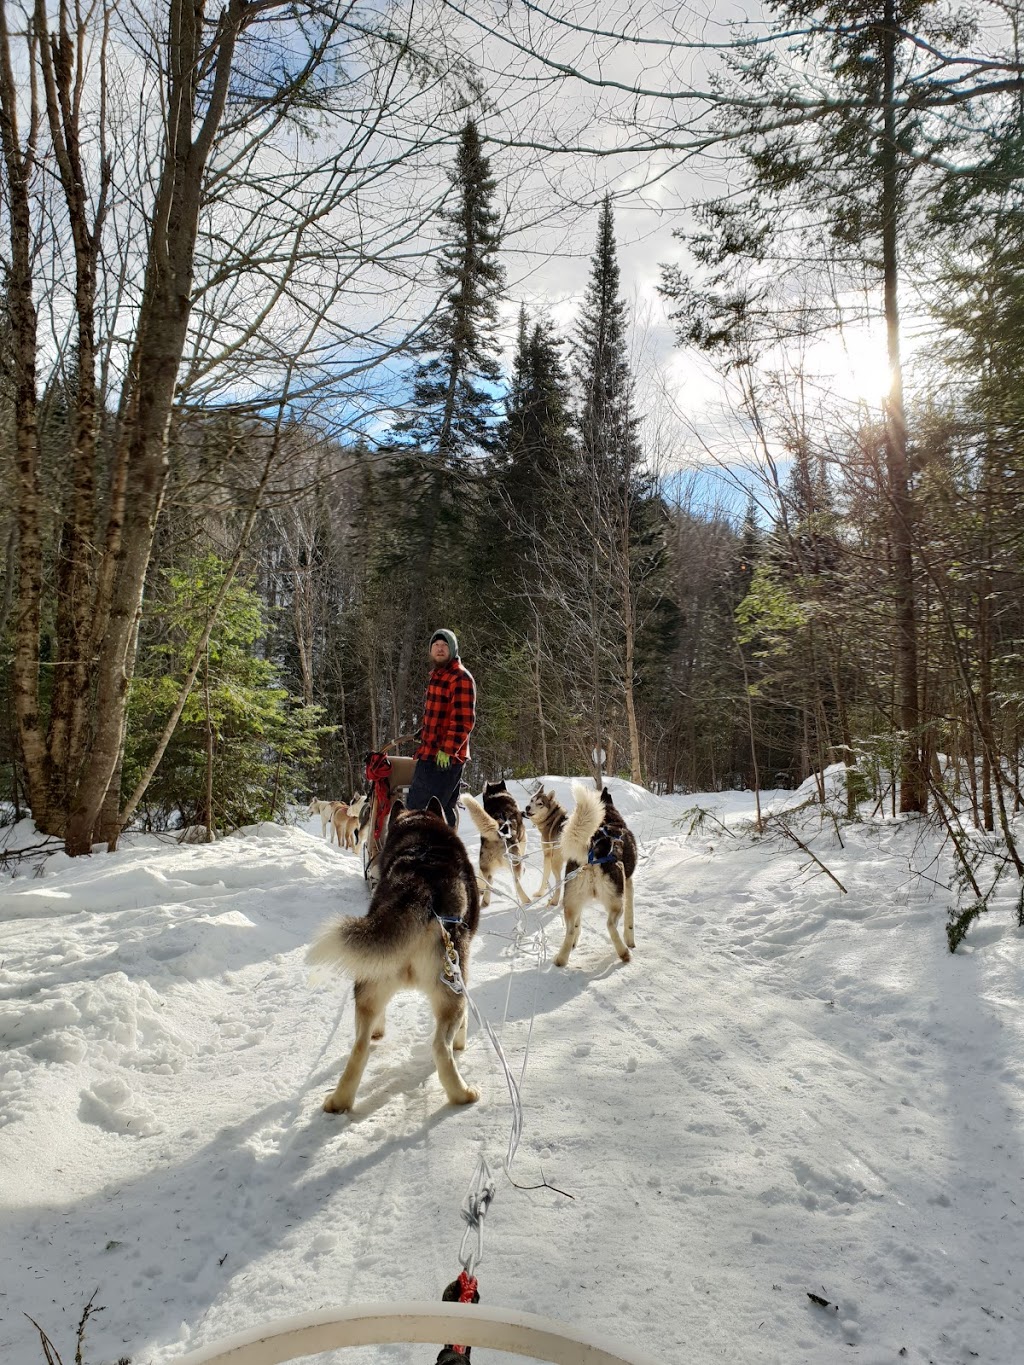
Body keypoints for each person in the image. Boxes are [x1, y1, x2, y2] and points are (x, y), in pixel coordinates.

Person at [406, 629, 476, 827]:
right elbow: (440, 715)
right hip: (430, 753)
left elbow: (463, 721)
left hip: (443, 759)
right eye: (436, 645)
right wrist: (425, 732)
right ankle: (446, 852)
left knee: (419, 811)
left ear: (452, 650)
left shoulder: (460, 678)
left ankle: (421, 854)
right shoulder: (438, 675)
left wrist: (447, 750)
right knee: (440, 810)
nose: (439, 649)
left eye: (444, 645)